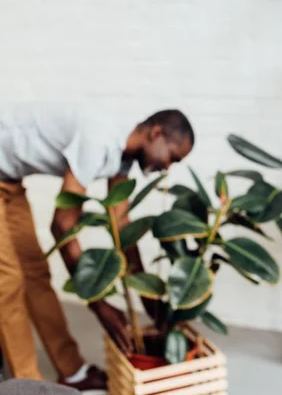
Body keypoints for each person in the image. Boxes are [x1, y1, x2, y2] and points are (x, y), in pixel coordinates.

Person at [0, 101, 194, 391]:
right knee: (8, 281)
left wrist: (152, 306)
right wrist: (98, 304)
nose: (167, 168)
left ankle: (72, 371)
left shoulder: (123, 156)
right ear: (156, 133)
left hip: (8, 180)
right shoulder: (99, 139)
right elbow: (63, 224)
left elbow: (121, 227)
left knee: (36, 274)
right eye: (172, 158)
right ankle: (27, 386)